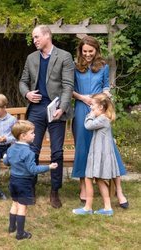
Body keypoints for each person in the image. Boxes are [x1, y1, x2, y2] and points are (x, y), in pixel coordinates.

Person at [19, 25, 74, 208]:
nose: (34, 40)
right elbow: (23, 81)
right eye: (33, 37)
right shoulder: (31, 58)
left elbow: (68, 86)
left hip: (56, 110)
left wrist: (63, 107)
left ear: (47, 36)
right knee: (32, 151)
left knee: (56, 152)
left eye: (36, 37)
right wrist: (27, 94)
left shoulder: (64, 56)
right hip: (36, 110)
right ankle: (31, 188)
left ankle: (55, 191)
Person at [71, 36, 128, 209]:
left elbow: (105, 86)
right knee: (83, 146)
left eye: (91, 51)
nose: (88, 54)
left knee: (108, 147)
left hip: (99, 109)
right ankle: (83, 186)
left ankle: (118, 190)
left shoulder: (103, 66)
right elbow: (70, 89)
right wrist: (83, 98)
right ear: (80, 51)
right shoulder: (74, 67)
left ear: (96, 50)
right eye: (85, 51)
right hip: (82, 109)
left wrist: (105, 94)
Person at [3, 120, 58, 240]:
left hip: (13, 181)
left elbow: (6, 162)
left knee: (15, 203)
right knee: (22, 206)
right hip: (24, 183)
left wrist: (5, 157)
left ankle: (12, 227)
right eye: (32, 133)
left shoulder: (11, 148)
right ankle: (20, 233)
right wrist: (48, 167)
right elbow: (33, 169)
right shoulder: (29, 153)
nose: (34, 135)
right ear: (23, 136)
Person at [73, 93, 120, 215]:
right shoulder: (103, 118)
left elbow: (88, 126)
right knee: (99, 180)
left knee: (88, 178)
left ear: (101, 107)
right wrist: (93, 114)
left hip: (99, 155)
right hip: (98, 153)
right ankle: (107, 208)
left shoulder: (102, 119)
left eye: (93, 105)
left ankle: (88, 208)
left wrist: (90, 115)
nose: (90, 108)